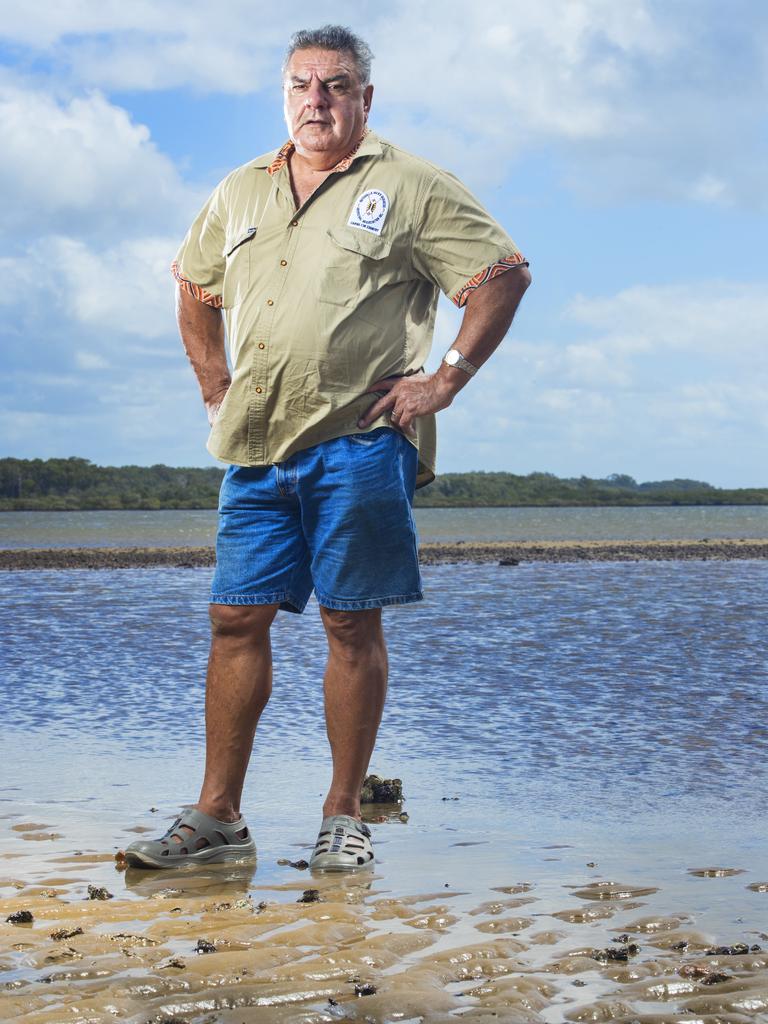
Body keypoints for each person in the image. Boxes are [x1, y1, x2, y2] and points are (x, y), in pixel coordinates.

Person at [124, 24, 530, 871]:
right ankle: (219, 818)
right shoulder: (240, 190)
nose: (318, 101)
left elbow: (500, 275)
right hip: (256, 447)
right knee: (235, 617)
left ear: (365, 98)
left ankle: (343, 816)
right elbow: (195, 290)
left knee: (350, 623)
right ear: (284, 96)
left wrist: (443, 380)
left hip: (359, 443)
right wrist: (212, 383)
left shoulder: (413, 185)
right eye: (303, 85)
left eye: (337, 85)